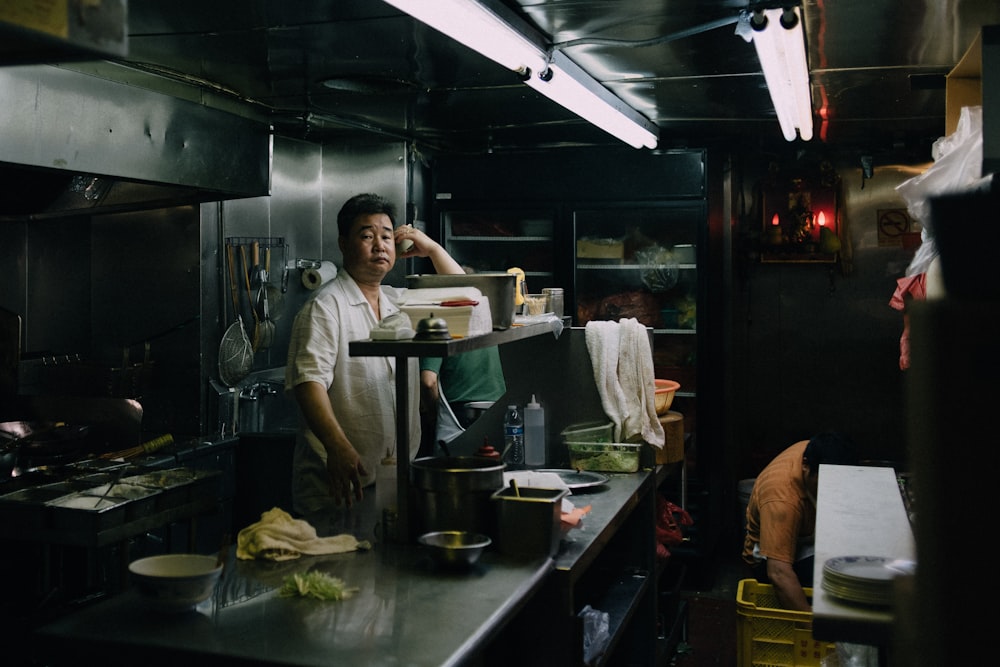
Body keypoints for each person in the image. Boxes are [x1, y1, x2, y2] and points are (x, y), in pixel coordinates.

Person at [285, 193, 463, 527]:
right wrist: (338, 448)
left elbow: (465, 299)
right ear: (343, 243)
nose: (379, 245)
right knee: (339, 575)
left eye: (386, 236)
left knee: (382, 569)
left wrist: (433, 249)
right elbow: (308, 383)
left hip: (391, 476)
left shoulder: (399, 302)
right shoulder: (325, 307)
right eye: (367, 236)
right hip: (339, 483)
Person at [742, 431, 858, 611]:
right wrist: (813, 627)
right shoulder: (783, 500)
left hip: (805, 532)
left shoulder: (818, 453)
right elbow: (779, 573)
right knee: (837, 580)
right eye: (828, 482)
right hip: (768, 559)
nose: (835, 488)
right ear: (805, 466)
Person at [419, 266, 507, 453]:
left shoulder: (439, 325)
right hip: (499, 408)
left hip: (460, 414)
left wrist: (435, 416)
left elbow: (428, 381)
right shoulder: (486, 321)